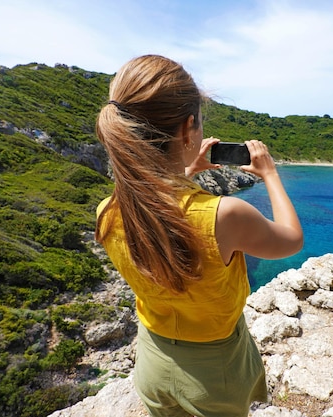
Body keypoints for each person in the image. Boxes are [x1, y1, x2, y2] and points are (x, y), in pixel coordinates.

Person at [95, 54, 303, 417]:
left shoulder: (108, 211)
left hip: (152, 361)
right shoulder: (225, 215)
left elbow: (159, 207)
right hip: (214, 373)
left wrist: (188, 170)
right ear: (188, 128)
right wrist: (269, 175)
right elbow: (291, 239)